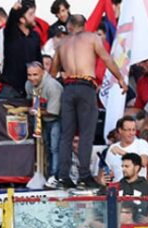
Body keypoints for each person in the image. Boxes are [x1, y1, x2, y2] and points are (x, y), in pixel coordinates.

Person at [50, 14, 127, 190]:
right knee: (85, 133)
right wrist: (120, 79)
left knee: (66, 135)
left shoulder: (62, 43)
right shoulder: (93, 38)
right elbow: (107, 59)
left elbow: (53, 71)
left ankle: (63, 177)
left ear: (69, 26)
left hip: (68, 88)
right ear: (84, 26)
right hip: (86, 87)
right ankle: (84, 176)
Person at [26, 61, 62, 176]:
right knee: (46, 148)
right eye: (29, 75)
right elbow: (31, 102)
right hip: (43, 120)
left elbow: (54, 113)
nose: (32, 78)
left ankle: (55, 175)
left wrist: (35, 111)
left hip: (57, 119)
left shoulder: (52, 86)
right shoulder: (28, 85)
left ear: (43, 73)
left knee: (54, 148)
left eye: (35, 74)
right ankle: (47, 174)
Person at [4, 1, 43, 95]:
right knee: (7, 109)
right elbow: (10, 23)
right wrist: (13, 10)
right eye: (31, 14)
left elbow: (38, 60)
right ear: (22, 19)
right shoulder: (11, 34)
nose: (34, 17)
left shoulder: (35, 36)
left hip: (33, 85)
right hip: (12, 88)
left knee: (35, 109)